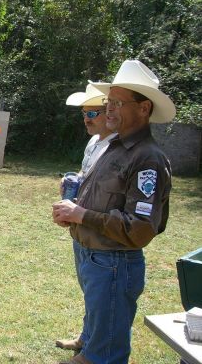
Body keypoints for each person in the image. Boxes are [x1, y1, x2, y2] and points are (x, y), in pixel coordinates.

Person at [52, 60, 175, 364]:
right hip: (99, 259)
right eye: (109, 101)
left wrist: (82, 216)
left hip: (114, 264)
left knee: (102, 357)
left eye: (118, 102)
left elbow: (140, 228)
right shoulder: (113, 146)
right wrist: (73, 210)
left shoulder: (148, 159)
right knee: (98, 345)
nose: (109, 108)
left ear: (144, 108)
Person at [55, 84, 116, 352]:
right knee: (90, 290)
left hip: (101, 235)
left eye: (92, 113)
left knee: (102, 296)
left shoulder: (118, 145)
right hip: (82, 229)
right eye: (84, 114)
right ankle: (86, 338)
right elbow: (86, 176)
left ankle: (92, 345)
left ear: (109, 113)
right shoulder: (94, 142)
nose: (86, 120)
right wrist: (72, 184)